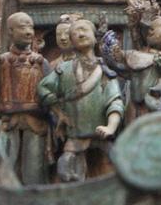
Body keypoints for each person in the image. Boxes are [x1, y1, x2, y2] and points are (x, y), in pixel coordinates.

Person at [38, 15, 125, 182]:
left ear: (95, 37)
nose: (80, 34)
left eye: (84, 30)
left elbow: (115, 101)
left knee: (114, 172)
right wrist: (59, 113)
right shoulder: (63, 69)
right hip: (75, 136)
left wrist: (111, 127)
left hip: (102, 136)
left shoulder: (104, 71)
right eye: (75, 33)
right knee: (66, 174)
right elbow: (43, 88)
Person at [0, 11, 52, 185]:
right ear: (10, 31)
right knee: (5, 169)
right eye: (23, 27)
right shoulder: (2, 61)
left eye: (31, 27)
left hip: (36, 123)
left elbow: (52, 96)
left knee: (34, 171)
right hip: (9, 123)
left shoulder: (41, 62)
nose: (29, 32)